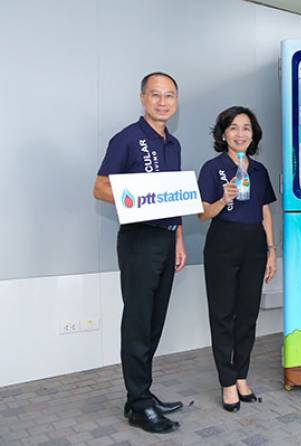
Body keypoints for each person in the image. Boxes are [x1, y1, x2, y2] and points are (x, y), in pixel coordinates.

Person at [93, 72, 186, 434]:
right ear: (143, 98)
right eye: (156, 95)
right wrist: (138, 197)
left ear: (176, 101)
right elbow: (100, 187)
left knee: (154, 321)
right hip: (139, 240)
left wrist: (179, 240)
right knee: (138, 322)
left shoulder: (173, 144)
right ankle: (139, 404)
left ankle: (141, 394)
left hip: (166, 240)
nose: (163, 102)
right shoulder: (127, 138)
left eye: (169, 96)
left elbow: (175, 198)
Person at [198, 106, 277, 413]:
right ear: (223, 134)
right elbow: (202, 214)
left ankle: (242, 375)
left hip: (254, 245)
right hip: (222, 243)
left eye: (246, 128)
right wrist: (224, 199)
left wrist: (271, 250)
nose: (240, 133)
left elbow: (265, 211)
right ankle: (227, 381)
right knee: (222, 315)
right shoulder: (212, 168)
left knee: (247, 315)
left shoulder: (259, 171)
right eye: (233, 127)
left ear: (253, 135)